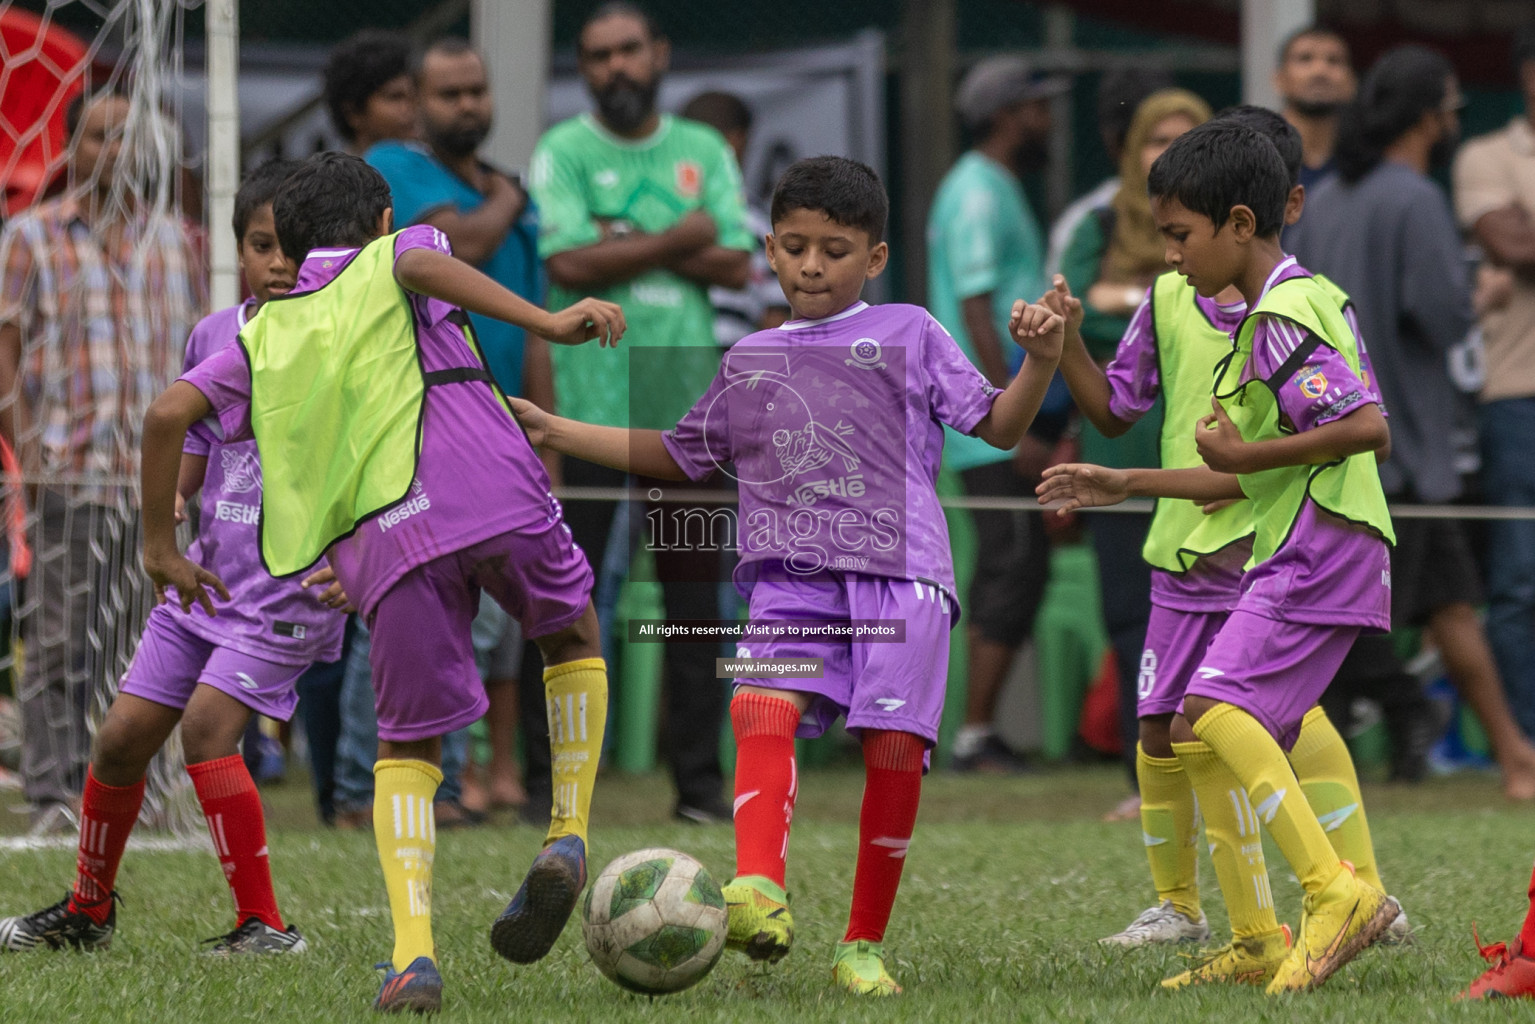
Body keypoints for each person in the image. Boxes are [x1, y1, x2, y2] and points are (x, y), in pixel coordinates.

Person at [513, 154, 1064, 995]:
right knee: (758, 702)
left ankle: (860, 946)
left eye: (835, 250)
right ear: (768, 249)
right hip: (791, 577)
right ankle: (759, 888)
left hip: (899, 571)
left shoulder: (911, 330)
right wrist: (556, 429)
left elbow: (994, 425)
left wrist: (1038, 364)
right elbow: (676, 454)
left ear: (874, 259)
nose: (812, 265)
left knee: (892, 747)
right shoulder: (748, 357)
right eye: (797, 247)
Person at [137, 152, 624, 1013]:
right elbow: (419, 264)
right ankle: (567, 832)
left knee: (406, 749)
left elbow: (166, 414)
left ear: (285, 242)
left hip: (388, 544)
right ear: (384, 214)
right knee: (572, 632)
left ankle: (413, 957)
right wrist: (547, 323)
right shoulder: (400, 252)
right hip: (493, 491)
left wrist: (159, 547)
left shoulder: (262, 334)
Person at [1039, 120, 1400, 993]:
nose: (1169, 256)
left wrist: (1242, 459)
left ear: (1241, 223)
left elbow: (1364, 429)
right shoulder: (1274, 309)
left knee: (1218, 710)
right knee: (1203, 722)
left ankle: (1336, 892)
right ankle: (1265, 930)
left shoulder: (1279, 311)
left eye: (1178, 236)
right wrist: (1129, 483)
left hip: (1319, 546)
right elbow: (1252, 467)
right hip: (1297, 539)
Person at [0, 160, 346, 954]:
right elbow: (191, 435)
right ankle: (88, 911)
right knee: (120, 736)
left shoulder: (341, 344)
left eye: (295, 247)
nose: (280, 263)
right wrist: (178, 503)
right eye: (263, 245)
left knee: (207, 729)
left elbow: (382, 454)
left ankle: (264, 924)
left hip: (288, 590)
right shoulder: (215, 334)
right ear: (238, 252)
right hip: (207, 578)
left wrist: (361, 555)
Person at [1290, 45, 1535, 801]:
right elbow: (1436, 312)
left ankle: (1511, 758)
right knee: (1346, 619)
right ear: (1429, 118)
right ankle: (1421, 720)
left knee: (1446, 604)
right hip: (1401, 445)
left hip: (1334, 437)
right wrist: (1483, 298)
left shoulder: (1327, 198)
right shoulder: (1414, 199)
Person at [529, 1, 753, 823]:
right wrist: (676, 236)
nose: (615, 67)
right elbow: (564, 258)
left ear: (658, 53)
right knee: (564, 601)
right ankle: (542, 788)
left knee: (697, 611)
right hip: (590, 399)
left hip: (687, 406)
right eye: (597, 56)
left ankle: (696, 790)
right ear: (583, 68)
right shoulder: (562, 151)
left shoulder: (700, 149)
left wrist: (622, 237)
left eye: (628, 50)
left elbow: (734, 264)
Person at [0, 87, 205, 834]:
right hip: (70, 467)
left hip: (154, 483)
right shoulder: (31, 235)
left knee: (145, 645)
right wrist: (27, 454)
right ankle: (53, 792)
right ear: (70, 148)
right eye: (98, 137)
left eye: (127, 138)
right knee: (58, 640)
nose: (114, 152)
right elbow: (7, 350)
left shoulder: (174, 241)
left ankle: (136, 790)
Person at [363, 35, 546, 825]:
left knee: (514, 608)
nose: (468, 105)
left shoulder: (505, 189)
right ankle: (447, 778)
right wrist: (508, 194)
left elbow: (536, 322)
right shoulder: (397, 170)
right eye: (449, 94)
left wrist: (546, 432)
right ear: (414, 101)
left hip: (511, 424)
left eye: (477, 90)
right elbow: (462, 245)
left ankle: (502, 775)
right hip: (431, 423)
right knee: (444, 608)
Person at [1057, 88, 1209, 811]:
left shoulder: (1226, 243)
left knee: (1219, 622)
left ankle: (1219, 775)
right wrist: (1145, 299)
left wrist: (1127, 297)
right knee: (1130, 624)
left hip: (1209, 466)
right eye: (1155, 140)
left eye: (1184, 139)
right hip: (1115, 459)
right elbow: (1078, 312)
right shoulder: (1097, 221)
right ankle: (1143, 784)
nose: (1166, 154)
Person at [927, 55, 1064, 772]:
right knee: (1010, 561)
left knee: (1021, 562)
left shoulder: (993, 183)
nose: (1047, 120)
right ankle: (974, 735)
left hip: (1001, 420)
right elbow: (978, 309)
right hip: (989, 428)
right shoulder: (975, 189)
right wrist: (1000, 414)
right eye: (1038, 105)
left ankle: (981, 732)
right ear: (1009, 113)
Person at [1454, 25, 1535, 748]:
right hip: (1518, 394)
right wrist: (1513, 234)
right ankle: (1528, 743)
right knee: (1518, 580)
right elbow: (1505, 244)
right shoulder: (1484, 155)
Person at [680, 89, 791, 344]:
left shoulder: (757, 219)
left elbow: (775, 317)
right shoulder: (759, 220)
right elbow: (774, 322)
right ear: (737, 140)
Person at [1045, 66, 1173, 278]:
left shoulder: (1215, 220)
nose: (1173, 152)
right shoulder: (1092, 224)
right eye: (1159, 141)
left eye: (1186, 138)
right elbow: (1067, 299)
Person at [1273, 25, 1355, 191]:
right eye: (1305, 59)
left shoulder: (1369, 168)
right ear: (1279, 79)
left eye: (1333, 61)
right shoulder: (1255, 161)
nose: (1320, 71)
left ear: (1351, 83)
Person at [323, 29, 417, 156]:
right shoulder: (335, 175)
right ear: (353, 113)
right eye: (395, 97)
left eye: (416, 96)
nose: (412, 107)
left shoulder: (431, 168)